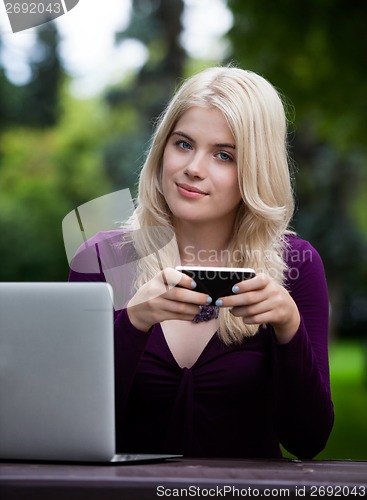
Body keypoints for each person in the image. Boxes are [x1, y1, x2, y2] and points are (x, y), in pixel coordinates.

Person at [69, 66, 334, 459]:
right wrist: (134, 322)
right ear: (162, 147)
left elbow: (307, 441)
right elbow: (71, 423)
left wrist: (288, 327)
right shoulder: (102, 259)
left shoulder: (297, 264)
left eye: (223, 155)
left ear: (255, 171)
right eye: (183, 144)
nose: (194, 167)